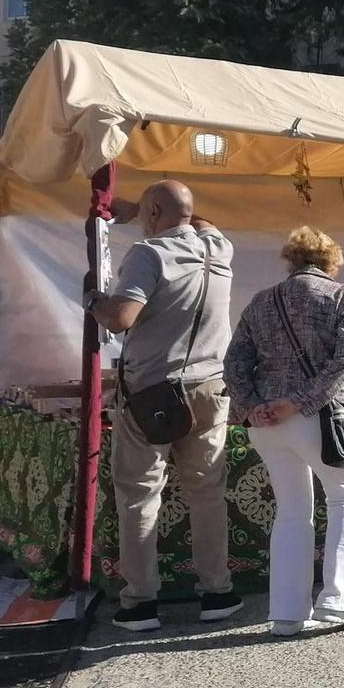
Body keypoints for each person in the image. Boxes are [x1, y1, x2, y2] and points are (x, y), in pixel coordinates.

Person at [87, 179, 240, 632]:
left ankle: (141, 602)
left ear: (153, 214)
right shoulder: (219, 248)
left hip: (152, 391)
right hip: (210, 387)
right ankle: (217, 592)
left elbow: (121, 318)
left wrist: (93, 300)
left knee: (139, 496)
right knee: (207, 494)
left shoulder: (148, 254)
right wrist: (148, 208)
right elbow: (200, 221)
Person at [225, 227, 344, 638]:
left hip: (267, 423)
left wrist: (252, 405)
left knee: (291, 512)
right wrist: (299, 401)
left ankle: (287, 614)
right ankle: (338, 599)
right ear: (331, 261)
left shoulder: (260, 301)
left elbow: (234, 363)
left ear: (290, 260)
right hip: (316, 418)